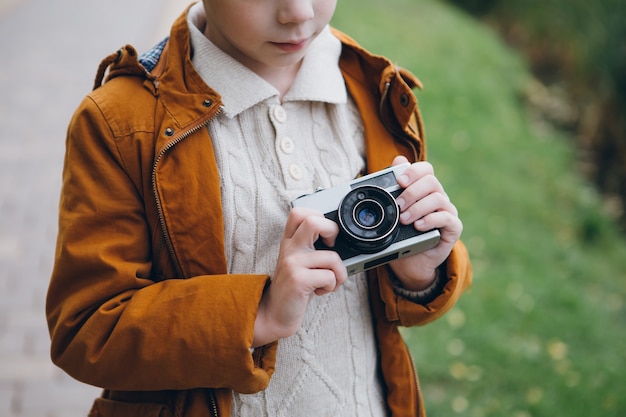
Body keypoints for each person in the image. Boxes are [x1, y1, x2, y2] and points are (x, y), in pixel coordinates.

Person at [46, 0, 472, 416]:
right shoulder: (120, 121)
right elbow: (87, 329)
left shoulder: (371, 85)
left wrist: (417, 272)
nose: (299, 12)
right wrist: (260, 313)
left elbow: (389, 300)